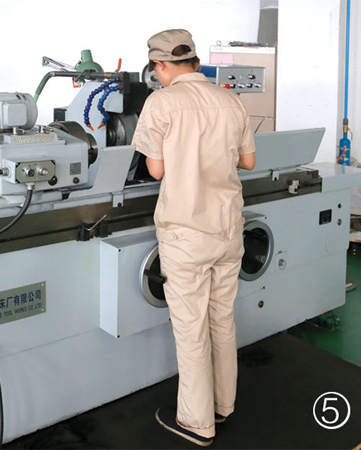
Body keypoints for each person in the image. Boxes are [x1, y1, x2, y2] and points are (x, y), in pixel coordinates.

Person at [131, 29, 256, 447]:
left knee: (191, 328)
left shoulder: (162, 102)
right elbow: (248, 161)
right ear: (197, 63)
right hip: (228, 227)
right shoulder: (230, 100)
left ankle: (197, 423)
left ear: (159, 65)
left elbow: (156, 170)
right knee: (222, 319)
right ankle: (223, 404)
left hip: (186, 232)